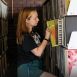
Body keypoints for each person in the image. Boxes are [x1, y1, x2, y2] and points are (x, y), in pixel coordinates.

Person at [16, 7, 57, 77]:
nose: (38, 19)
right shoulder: (25, 36)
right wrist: (46, 38)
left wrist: (51, 41)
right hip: (27, 68)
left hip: (33, 66)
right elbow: (38, 53)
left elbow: (38, 46)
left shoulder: (33, 33)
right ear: (27, 20)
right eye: (35, 18)